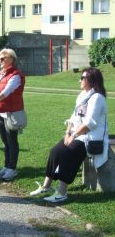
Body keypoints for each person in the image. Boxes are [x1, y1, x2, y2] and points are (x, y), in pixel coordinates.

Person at [30, 67, 108, 203]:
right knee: (55, 151)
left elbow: (90, 123)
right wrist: (68, 133)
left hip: (89, 138)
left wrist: (73, 136)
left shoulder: (97, 98)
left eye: (83, 78)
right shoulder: (82, 95)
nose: (80, 80)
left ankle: (62, 192)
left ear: (92, 79)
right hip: (76, 134)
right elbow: (73, 117)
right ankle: (46, 186)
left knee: (67, 154)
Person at [0, 48, 25, 181]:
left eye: (3, 58)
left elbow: (6, 92)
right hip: (1, 112)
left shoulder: (16, 75)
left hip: (11, 112)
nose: (0, 61)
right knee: (5, 141)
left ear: (12, 59)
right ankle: (6, 166)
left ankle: (12, 169)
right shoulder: (1, 74)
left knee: (12, 141)